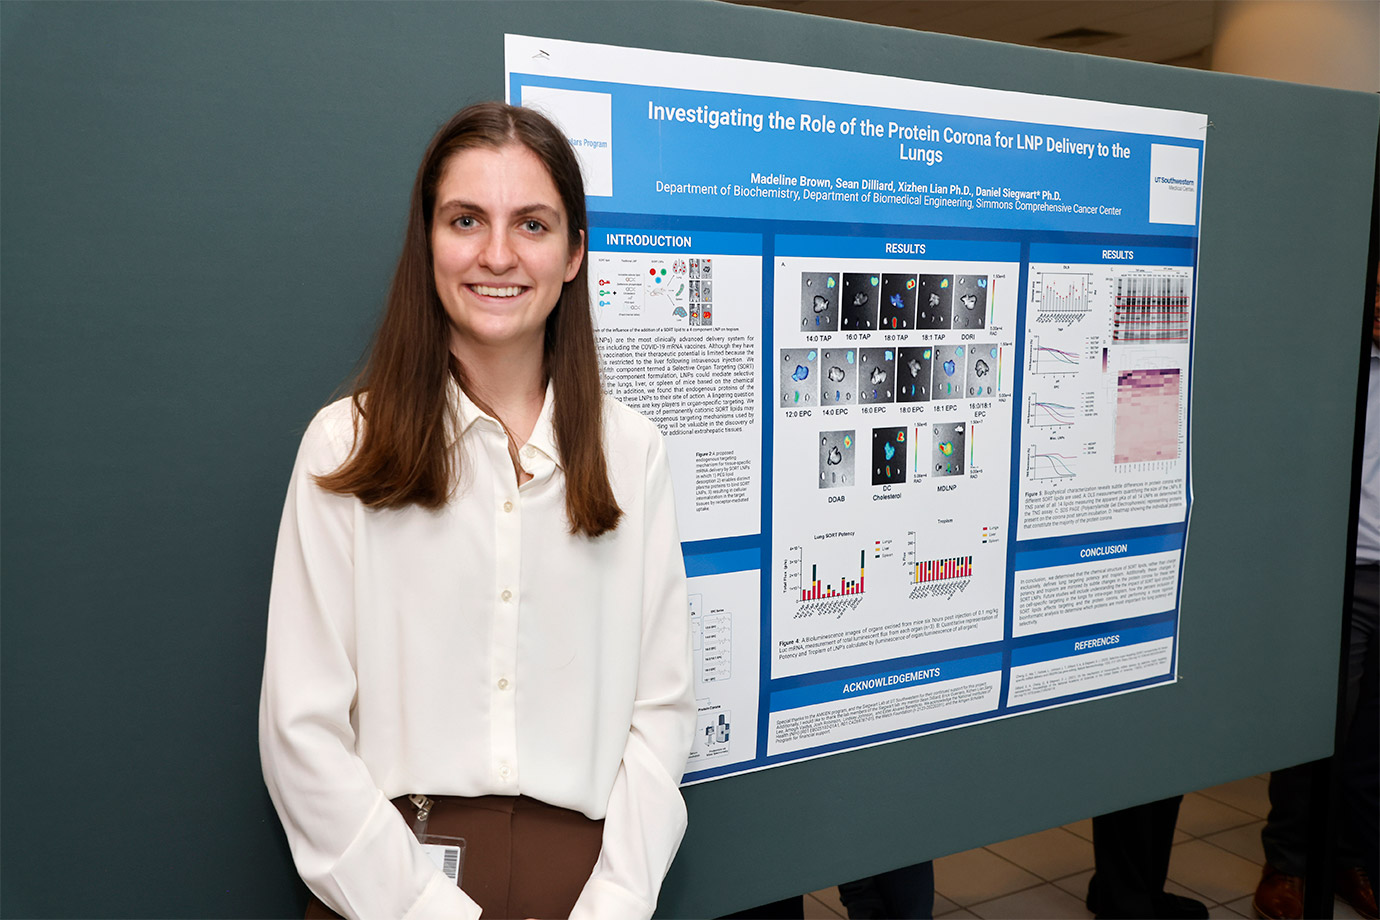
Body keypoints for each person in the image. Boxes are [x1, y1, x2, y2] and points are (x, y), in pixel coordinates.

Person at [259, 102, 696, 920]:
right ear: (428, 242)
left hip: (586, 891)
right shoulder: (342, 450)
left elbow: (662, 713)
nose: (498, 254)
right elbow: (301, 733)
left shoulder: (632, 455)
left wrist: (617, 902)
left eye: (532, 224)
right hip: (386, 888)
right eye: (467, 220)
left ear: (574, 255)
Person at [1251, 264, 1380, 920]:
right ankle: (1288, 866)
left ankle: (1350, 860)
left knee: (1373, 743)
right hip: (1341, 573)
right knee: (1315, 727)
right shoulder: (1332, 362)